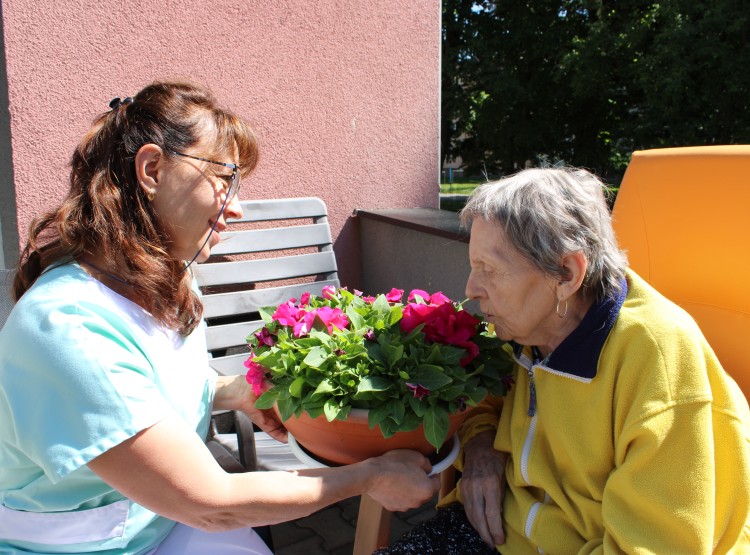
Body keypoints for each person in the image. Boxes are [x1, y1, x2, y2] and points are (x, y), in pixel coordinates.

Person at [0, 81, 440, 555]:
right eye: (223, 178)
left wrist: (231, 392)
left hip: (161, 525)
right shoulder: (70, 329)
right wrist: (368, 477)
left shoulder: (168, 276)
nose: (237, 206)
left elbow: (149, 389)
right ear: (151, 169)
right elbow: (212, 503)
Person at [375, 167, 750, 554]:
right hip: (503, 530)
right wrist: (481, 446)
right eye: (474, 266)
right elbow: (482, 401)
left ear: (567, 274)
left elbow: (656, 546)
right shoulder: (525, 329)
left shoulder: (657, 359)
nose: (471, 289)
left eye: (490, 270)